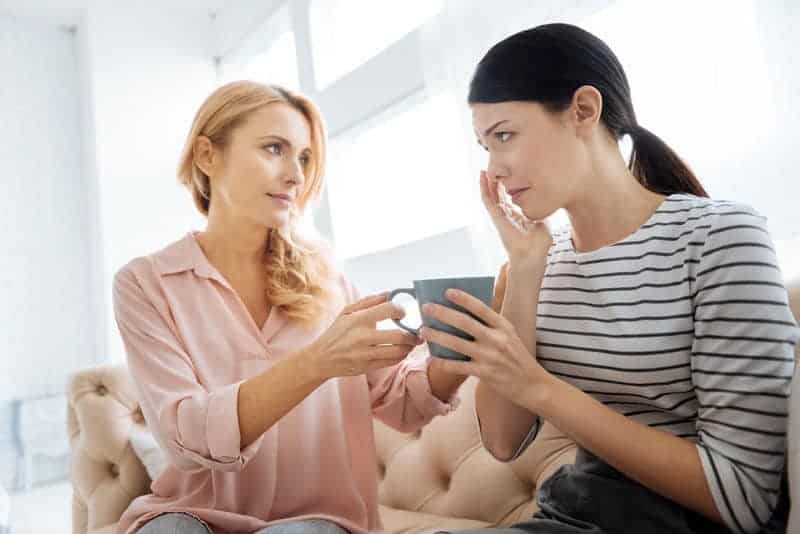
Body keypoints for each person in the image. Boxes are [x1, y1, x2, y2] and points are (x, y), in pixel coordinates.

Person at [420, 23, 799, 534]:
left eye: (504, 135)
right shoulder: (533, 263)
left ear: (583, 110)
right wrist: (527, 270)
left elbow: (743, 498)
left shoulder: (719, 236)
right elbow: (504, 442)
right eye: (485, 146)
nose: (495, 169)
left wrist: (541, 388)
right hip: (577, 514)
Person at [112, 81, 464, 534]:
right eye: (274, 149)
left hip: (319, 520)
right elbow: (186, 436)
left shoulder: (331, 281)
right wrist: (316, 363)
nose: (296, 175)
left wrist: (461, 352)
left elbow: (403, 404)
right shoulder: (145, 283)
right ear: (206, 155)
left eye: (303, 157)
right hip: (188, 512)